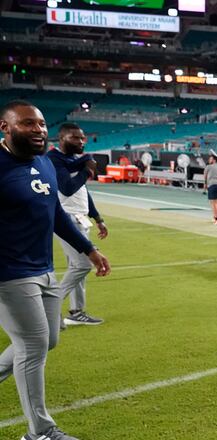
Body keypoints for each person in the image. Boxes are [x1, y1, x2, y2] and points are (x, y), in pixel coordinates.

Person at [0, 100, 110, 440]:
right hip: (9, 273)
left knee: (47, 341)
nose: (38, 130)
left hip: (44, 269)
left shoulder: (44, 164)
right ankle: (41, 433)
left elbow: (56, 215)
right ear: (5, 128)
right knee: (33, 345)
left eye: (42, 124)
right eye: (28, 123)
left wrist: (88, 249)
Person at [47, 122, 108, 326]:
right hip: (67, 219)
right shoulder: (54, 159)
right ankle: (51, 309)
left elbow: (83, 193)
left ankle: (76, 311)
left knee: (77, 267)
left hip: (80, 217)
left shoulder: (74, 160)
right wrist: (87, 172)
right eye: (75, 137)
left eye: (82, 138)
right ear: (62, 138)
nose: (81, 141)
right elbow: (67, 188)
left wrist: (98, 219)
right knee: (83, 265)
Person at [204, 152, 217, 225]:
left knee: (214, 203)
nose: (209, 160)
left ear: (214, 160)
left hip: (213, 186)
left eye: (211, 159)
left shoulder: (208, 167)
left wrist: (205, 186)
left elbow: (205, 177)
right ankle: (215, 217)